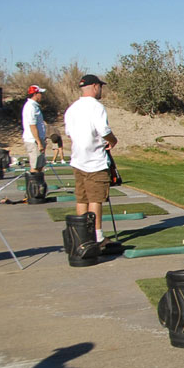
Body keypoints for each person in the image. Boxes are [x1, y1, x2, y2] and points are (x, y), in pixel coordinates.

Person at [64, 74, 118, 245]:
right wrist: (113, 141)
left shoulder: (72, 108)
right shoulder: (96, 107)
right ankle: (97, 236)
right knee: (96, 199)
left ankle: (81, 235)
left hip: (78, 159)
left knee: (82, 199)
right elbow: (103, 130)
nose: (101, 89)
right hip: (95, 160)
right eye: (100, 87)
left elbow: (69, 133)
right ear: (95, 87)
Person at [21, 85, 47, 172]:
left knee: (40, 166)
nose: (41, 95)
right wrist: (39, 142)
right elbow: (32, 126)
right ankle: (33, 185)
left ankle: (38, 184)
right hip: (33, 141)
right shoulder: (30, 107)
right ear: (35, 94)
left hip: (38, 139)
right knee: (35, 167)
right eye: (40, 93)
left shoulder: (35, 106)